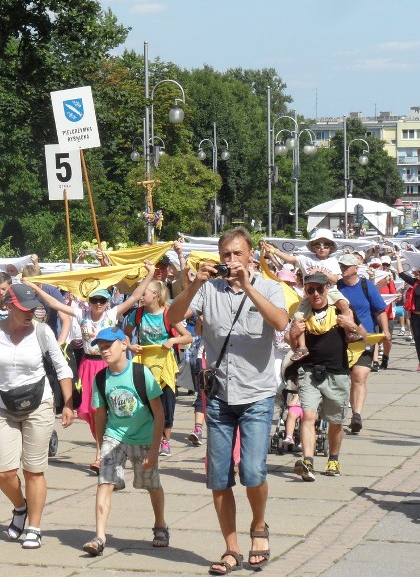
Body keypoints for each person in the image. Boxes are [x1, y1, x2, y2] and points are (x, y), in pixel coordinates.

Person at [167, 227, 288, 575]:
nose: (231, 260)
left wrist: (248, 286)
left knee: (252, 471)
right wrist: (194, 283)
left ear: (251, 256)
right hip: (219, 396)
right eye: (225, 255)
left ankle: (260, 526)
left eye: (237, 254)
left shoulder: (267, 286)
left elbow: (280, 322)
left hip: (256, 395)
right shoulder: (209, 289)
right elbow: (173, 318)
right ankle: (231, 548)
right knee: (219, 478)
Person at [0, 283, 74, 549]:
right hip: (3, 407)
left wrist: (68, 403)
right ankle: (20, 508)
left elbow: (62, 368)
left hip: (39, 405)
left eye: (34, 309)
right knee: (3, 471)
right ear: (9, 306)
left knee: (33, 471)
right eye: (25, 309)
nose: (31, 313)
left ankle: (34, 526)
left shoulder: (42, 332)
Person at [25, 261, 152, 473]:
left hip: (107, 365)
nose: (98, 304)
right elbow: (55, 305)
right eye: (94, 300)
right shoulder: (81, 314)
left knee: (106, 410)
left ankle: (101, 455)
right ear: (89, 301)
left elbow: (135, 297)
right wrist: (36, 287)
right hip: (87, 366)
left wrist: (149, 274)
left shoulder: (111, 315)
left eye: (102, 300)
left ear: (107, 301)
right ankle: (104, 449)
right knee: (91, 412)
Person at [81, 328, 167, 557]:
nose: (104, 350)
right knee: (105, 482)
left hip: (144, 436)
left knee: (151, 484)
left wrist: (155, 450)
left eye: (109, 345)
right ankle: (99, 536)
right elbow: (100, 415)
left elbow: (159, 413)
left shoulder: (141, 373)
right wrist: (100, 448)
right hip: (114, 435)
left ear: (123, 344)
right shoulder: (101, 378)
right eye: (101, 346)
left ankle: (160, 526)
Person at [286, 273, 363, 482]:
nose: (316, 294)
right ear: (305, 291)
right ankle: (308, 461)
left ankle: (333, 459)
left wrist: (351, 326)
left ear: (327, 289)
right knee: (308, 416)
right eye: (310, 290)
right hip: (309, 370)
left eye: (319, 289)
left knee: (335, 421)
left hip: (337, 372)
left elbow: (361, 334)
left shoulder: (338, 309)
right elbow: (293, 347)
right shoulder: (301, 312)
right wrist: (294, 334)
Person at [124, 279, 192, 457]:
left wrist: (173, 340)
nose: (140, 297)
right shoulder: (137, 314)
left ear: (155, 294)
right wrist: (131, 346)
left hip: (165, 367)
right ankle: (145, 439)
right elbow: (123, 334)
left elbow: (188, 337)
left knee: (167, 404)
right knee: (143, 405)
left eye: (144, 293)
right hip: (144, 365)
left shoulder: (169, 314)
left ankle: (165, 441)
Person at [335, 253, 389, 434]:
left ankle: (356, 415)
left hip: (364, 338)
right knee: (342, 379)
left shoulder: (366, 286)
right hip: (341, 340)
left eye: (346, 266)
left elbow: (380, 310)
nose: (343, 269)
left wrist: (386, 330)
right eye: (341, 266)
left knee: (359, 376)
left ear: (356, 268)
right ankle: (338, 412)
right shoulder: (336, 287)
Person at [394, 252, 420, 370]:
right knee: (418, 341)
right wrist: (398, 258)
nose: (416, 273)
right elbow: (401, 274)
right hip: (415, 317)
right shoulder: (415, 283)